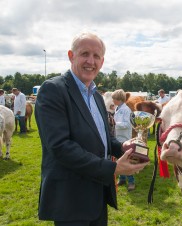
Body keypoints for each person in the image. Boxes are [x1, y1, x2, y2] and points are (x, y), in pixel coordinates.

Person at [34, 32, 149, 226]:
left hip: (97, 194)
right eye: (84, 54)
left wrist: (122, 146)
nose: (91, 61)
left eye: (96, 56)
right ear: (71, 56)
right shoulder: (53, 90)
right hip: (71, 199)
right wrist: (113, 168)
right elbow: (60, 147)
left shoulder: (96, 96)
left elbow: (102, 137)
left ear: (102, 62)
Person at [112, 89, 135, 191]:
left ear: (119, 99)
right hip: (118, 137)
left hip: (124, 138)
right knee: (119, 159)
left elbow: (127, 124)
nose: (112, 100)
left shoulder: (126, 110)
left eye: (114, 98)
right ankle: (122, 179)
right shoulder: (117, 108)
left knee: (126, 161)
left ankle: (131, 182)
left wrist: (115, 123)